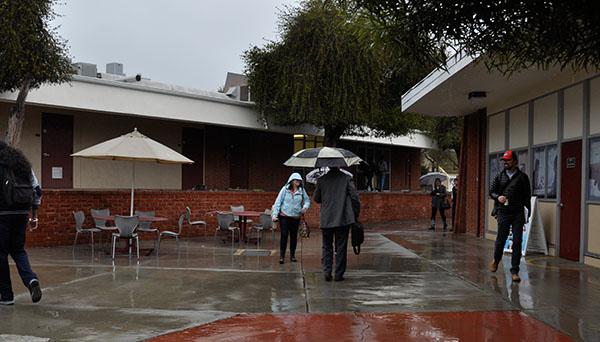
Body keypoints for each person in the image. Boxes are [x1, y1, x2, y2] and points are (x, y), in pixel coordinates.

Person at [0, 141, 42, 305]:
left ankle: (6, 296)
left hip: (2, 215)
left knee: (1, 254)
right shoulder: (22, 165)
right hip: (21, 213)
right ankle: (31, 280)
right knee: (18, 250)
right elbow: (37, 189)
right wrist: (34, 215)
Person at [489, 150, 531, 282]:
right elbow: (491, 191)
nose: (505, 163)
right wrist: (498, 197)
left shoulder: (523, 177)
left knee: (517, 241)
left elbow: (527, 195)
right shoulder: (499, 176)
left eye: (508, 160)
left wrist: (528, 212)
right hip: (504, 212)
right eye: (504, 160)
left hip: (517, 212)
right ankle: (496, 259)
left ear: (515, 161)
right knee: (501, 239)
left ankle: (514, 270)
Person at [314, 167, 360, 282]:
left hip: (327, 218)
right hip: (342, 218)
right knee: (341, 247)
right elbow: (355, 197)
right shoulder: (347, 179)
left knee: (327, 246)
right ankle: (339, 274)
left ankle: (327, 271)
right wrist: (355, 213)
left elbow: (316, 198)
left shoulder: (321, 180)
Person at [271, 173, 310, 264]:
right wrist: (275, 214)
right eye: (296, 181)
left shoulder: (301, 190)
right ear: (292, 181)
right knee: (284, 235)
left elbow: (307, 200)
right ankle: (282, 256)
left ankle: (292, 255)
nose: (298, 182)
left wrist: (305, 207)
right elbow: (278, 202)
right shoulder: (285, 190)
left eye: (299, 181)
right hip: (284, 216)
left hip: (296, 217)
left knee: (293, 236)